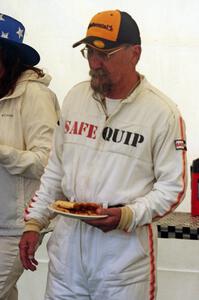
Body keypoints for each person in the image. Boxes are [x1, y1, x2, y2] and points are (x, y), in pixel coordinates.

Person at [19, 9, 187, 300]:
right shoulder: (75, 98)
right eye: (89, 52)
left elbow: (173, 187)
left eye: (105, 54)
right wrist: (34, 223)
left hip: (123, 265)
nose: (95, 63)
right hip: (66, 259)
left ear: (135, 53)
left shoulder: (162, 113)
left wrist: (127, 215)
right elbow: (56, 170)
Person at [0, 14, 60, 300]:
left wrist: (2, 153)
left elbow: (48, 162)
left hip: (14, 227)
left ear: (9, 57)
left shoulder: (36, 96)